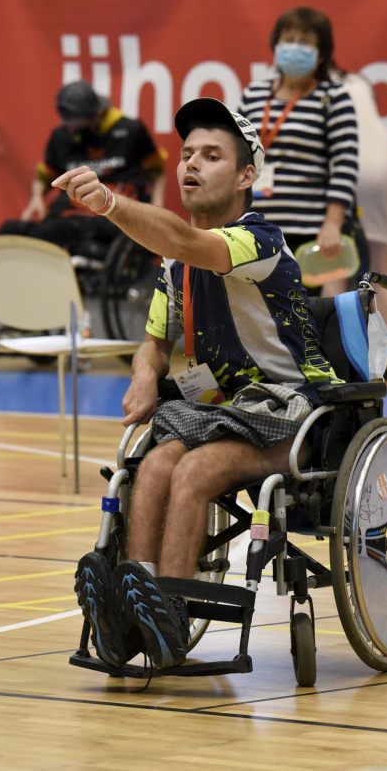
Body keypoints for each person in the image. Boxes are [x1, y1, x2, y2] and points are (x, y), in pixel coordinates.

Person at [61, 98, 338, 670]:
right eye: (187, 154)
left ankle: (172, 612)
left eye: (212, 156)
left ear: (245, 176)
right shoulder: (174, 265)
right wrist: (145, 374)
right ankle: (134, 608)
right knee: (153, 465)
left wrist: (110, 203)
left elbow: (188, 243)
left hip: (288, 408)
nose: (191, 163)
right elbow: (154, 341)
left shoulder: (260, 241)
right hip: (219, 410)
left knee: (193, 471)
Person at [237, 7, 358, 296]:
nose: (295, 47)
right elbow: (237, 155)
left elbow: (345, 165)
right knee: (257, 311)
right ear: (276, 45)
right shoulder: (253, 95)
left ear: (321, 53)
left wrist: (333, 224)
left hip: (311, 232)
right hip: (255, 226)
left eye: (305, 42)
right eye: (288, 39)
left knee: (306, 312)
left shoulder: (334, 98)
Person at [0, 80, 166, 258]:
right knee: (10, 230)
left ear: (95, 114)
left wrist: (157, 208)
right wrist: (37, 197)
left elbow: (158, 171)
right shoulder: (61, 137)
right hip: (69, 212)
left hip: (113, 213)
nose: (65, 123)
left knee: (63, 232)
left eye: (71, 119)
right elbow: (44, 176)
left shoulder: (131, 131)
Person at [338, 69, 387, 378]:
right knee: (383, 267)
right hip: (383, 164)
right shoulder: (361, 86)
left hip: (346, 162)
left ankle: (332, 357)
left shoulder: (316, 85)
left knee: (335, 265)